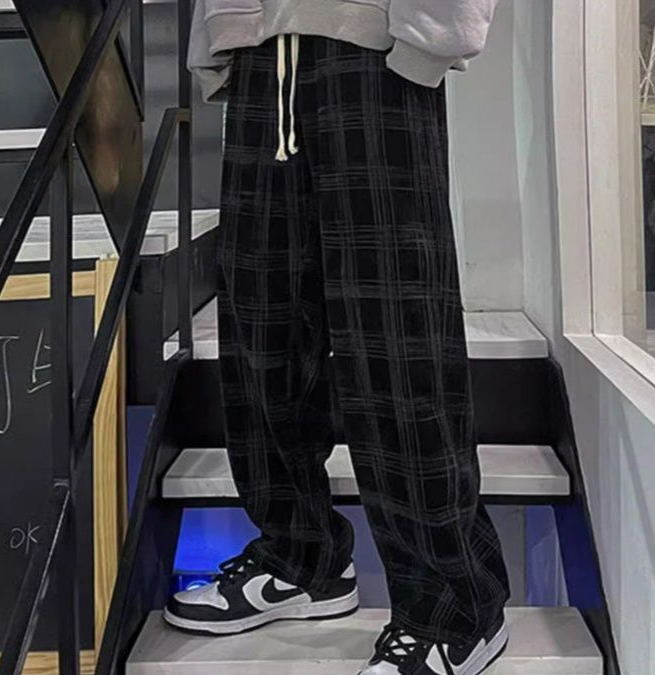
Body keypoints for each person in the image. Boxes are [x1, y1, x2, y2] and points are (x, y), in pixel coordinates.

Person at [165, 1, 511, 673]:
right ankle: (301, 557)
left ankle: (454, 605)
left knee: (394, 339)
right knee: (261, 328)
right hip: (264, 56)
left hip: (377, 54)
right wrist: (225, 34)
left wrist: (434, 33)